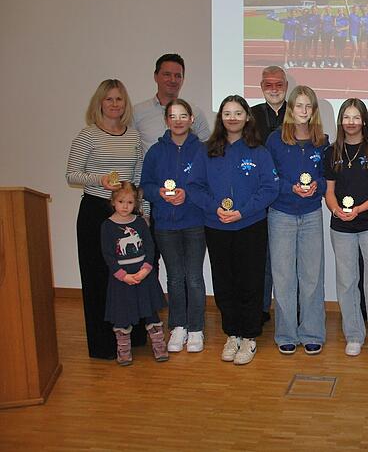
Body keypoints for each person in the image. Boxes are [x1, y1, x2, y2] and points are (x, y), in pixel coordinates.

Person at [187, 95, 279, 366]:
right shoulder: (206, 150)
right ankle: (232, 333)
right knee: (224, 281)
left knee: (250, 281)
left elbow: (269, 188)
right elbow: (194, 186)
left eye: (238, 113)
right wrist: (215, 208)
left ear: (247, 117)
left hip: (250, 225)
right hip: (217, 226)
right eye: (227, 113)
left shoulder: (259, 151)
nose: (232, 118)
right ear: (221, 118)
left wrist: (243, 211)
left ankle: (249, 336)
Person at [66, 79, 147, 359]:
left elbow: (137, 181)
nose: (115, 104)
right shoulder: (87, 136)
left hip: (128, 214)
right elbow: (72, 174)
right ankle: (103, 345)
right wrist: (99, 180)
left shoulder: (134, 137)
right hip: (95, 213)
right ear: (99, 102)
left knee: (129, 277)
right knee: (98, 278)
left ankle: (133, 337)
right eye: (109, 99)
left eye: (119, 99)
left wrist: (142, 212)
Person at [324, 98, 368, 366]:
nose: (351, 122)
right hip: (341, 225)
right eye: (346, 117)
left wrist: (359, 209)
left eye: (356, 117)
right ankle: (354, 335)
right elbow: (329, 191)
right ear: (341, 120)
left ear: (364, 120)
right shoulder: (331, 151)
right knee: (347, 282)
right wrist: (335, 209)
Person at [140, 98, 207, 353]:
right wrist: (159, 192)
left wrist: (187, 195)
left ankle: (196, 328)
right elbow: (145, 186)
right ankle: (178, 326)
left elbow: (208, 185)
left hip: (194, 222)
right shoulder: (155, 152)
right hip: (165, 224)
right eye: (173, 116)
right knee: (175, 278)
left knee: (194, 277)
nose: (178, 121)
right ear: (166, 120)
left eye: (183, 116)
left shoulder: (202, 150)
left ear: (191, 119)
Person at [265, 86, 328, 355]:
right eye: (299, 106)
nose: (303, 111)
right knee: (283, 277)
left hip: (312, 214)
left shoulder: (322, 141)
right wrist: (290, 187)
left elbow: (329, 179)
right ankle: (286, 333)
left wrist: (318, 186)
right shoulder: (275, 140)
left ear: (314, 111)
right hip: (281, 215)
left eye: (308, 106)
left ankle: (312, 332)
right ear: (290, 109)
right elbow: (269, 179)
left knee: (312, 276)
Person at [100, 182, 169, 365]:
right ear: (113, 201)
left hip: (143, 276)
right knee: (122, 314)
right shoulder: (107, 226)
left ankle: (159, 345)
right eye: (121, 201)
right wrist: (124, 275)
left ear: (135, 204)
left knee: (150, 312)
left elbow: (149, 247)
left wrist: (145, 270)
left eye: (130, 202)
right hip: (122, 279)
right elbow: (108, 255)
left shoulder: (139, 222)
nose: (125, 206)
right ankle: (123, 350)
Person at [251, 65, 289, 323]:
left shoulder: (298, 112)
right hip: (258, 198)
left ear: (286, 86)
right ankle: (262, 308)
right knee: (261, 257)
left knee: (289, 260)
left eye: (278, 84)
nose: (273, 89)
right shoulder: (250, 116)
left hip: (290, 197)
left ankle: (291, 309)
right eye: (268, 84)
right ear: (261, 87)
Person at [132, 53, 211, 155]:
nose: (173, 80)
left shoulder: (195, 113)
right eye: (167, 74)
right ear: (155, 76)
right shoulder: (137, 112)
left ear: (183, 79)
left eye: (178, 76)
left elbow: (207, 149)